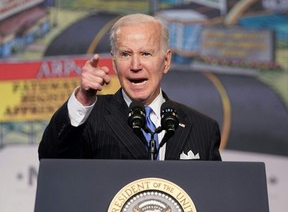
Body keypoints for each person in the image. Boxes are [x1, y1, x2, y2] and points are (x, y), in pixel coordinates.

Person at [38, 13, 221, 161]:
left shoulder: (202, 128)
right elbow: (52, 160)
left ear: (166, 61)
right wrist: (83, 99)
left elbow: (212, 198)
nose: (135, 65)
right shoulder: (89, 118)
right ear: (114, 62)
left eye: (146, 53)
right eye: (125, 54)